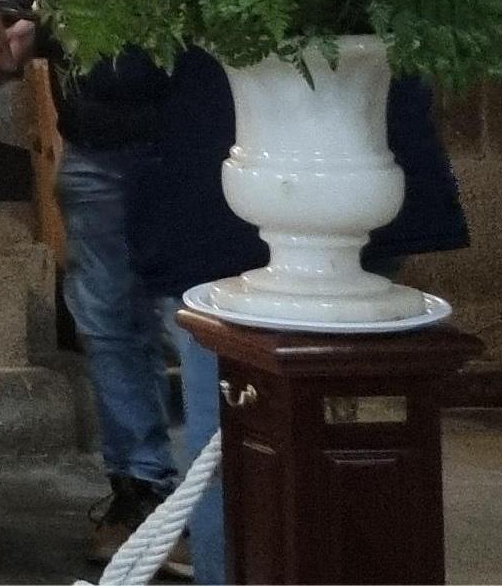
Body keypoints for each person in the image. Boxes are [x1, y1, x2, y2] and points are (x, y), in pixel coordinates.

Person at [132, 47, 468, 585]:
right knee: (266, 442)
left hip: (233, 195)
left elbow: (129, 72)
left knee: (243, 446)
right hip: (352, 175)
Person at [0, 0, 184, 567]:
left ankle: (215, 505)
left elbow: (172, 12)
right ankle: (141, 491)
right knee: (107, 322)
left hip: (187, 144)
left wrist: (46, 30)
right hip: (96, 146)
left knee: (192, 323)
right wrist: (18, 16)